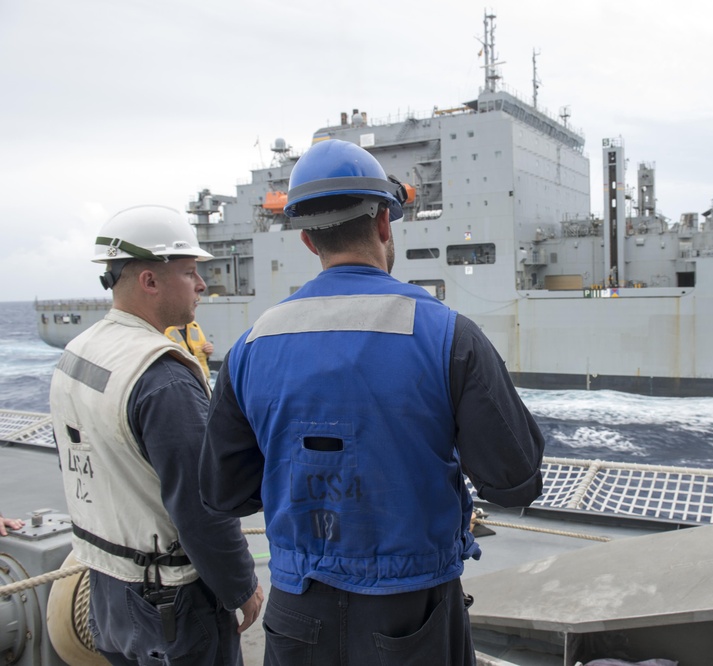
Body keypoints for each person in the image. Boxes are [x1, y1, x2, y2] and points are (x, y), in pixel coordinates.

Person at [200, 139, 545, 665]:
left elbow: (224, 494)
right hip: (413, 615)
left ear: (308, 240)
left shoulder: (250, 345)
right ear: (385, 222)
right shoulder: (448, 335)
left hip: (295, 612)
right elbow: (515, 479)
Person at [49, 205, 263, 666]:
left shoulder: (77, 353)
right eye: (189, 272)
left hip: (106, 586)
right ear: (149, 281)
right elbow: (203, 505)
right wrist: (241, 588)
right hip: (171, 604)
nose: (203, 284)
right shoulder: (162, 378)